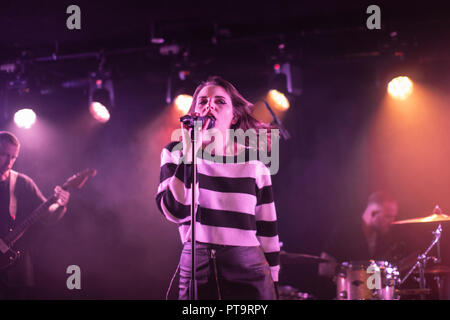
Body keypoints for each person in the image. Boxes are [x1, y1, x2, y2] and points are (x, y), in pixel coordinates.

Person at [155, 76, 280, 300]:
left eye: (220, 101)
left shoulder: (253, 161)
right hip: (198, 265)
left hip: (248, 267)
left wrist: (274, 278)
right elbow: (175, 211)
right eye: (202, 102)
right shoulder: (176, 152)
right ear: (194, 113)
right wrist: (192, 151)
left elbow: (267, 227)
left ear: (234, 116)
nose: (209, 106)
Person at [0, 131, 70, 299]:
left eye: (13, 157)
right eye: (3, 154)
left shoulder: (23, 183)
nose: (8, 162)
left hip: (17, 271)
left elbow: (48, 216)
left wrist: (60, 204)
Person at [318, 191, 402, 298]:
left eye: (393, 217)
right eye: (388, 217)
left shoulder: (385, 238)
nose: (392, 221)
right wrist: (351, 278)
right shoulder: (345, 232)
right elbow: (324, 268)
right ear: (373, 213)